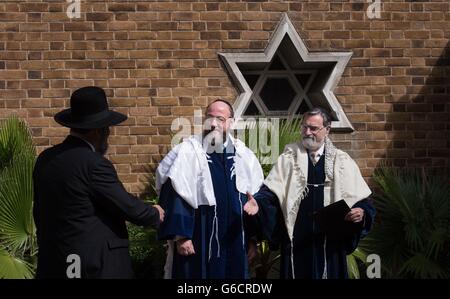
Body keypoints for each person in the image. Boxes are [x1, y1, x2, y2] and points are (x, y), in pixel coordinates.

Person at [33, 86, 164, 279]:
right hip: (91, 266)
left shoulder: (45, 159)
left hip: (55, 263)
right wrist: (154, 213)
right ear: (99, 130)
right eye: (107, 128)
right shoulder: (94, 164)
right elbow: (125, 206)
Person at [249, 107, 376, 279]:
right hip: (297, 240)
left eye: (313, 128)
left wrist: (361, 213)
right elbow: (270, 193)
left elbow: (362, 201)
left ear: (327, 130)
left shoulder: (342, 161)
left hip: (331, 242)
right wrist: (258, 203)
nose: (307, 132)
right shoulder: (288, 159)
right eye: (304, 127)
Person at [156, 99, 262, 279]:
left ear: (231, 122)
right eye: (209, 118)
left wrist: (252, 239)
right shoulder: (188, 151)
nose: (213, 124)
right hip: (199, 237)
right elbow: (175, 192)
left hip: (235, 239)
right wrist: (181, 236)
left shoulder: (244, 155)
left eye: (220, 119)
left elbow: (254, 197)